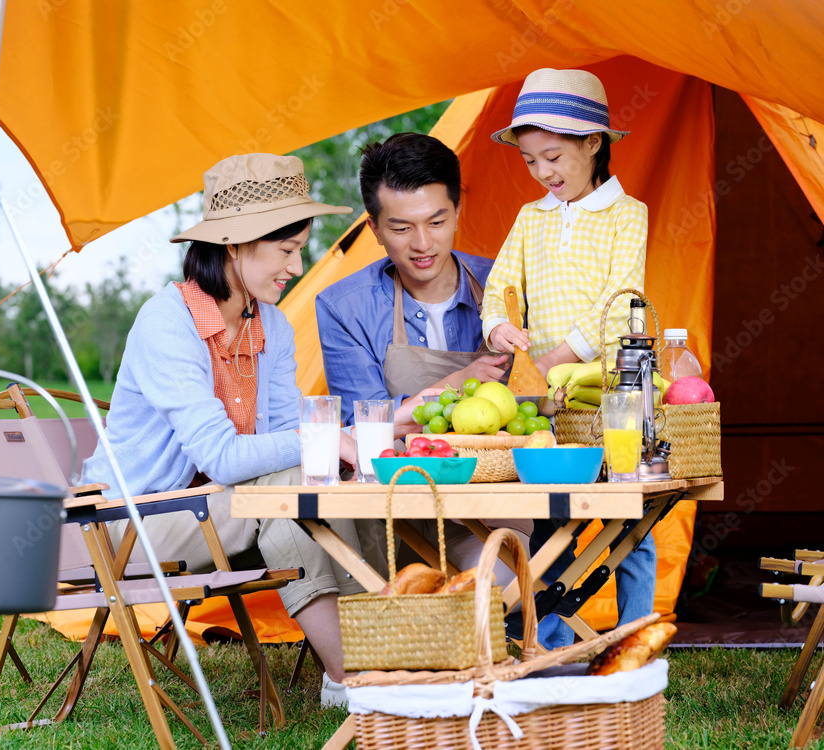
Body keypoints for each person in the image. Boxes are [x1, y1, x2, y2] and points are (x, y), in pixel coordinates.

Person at [81, 153, 361, 706]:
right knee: (297, 485)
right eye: (286, 249)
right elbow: (225, 455)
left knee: (303, 496)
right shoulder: (168, 321)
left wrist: (316, 450)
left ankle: (352, 675)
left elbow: (278, 435)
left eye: (299, 247)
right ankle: (364, 673)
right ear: (234, 245)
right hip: (133, 524)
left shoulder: (272, 324)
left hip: (223, 511)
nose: (296, 265)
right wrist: (322, 439)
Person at [483, 68, 654, 649]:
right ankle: (549, 638)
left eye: (552, 156)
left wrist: (559, 354)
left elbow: (621, 297)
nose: (543, 173)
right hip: (553, 404)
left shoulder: (628, 214)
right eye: (530, 161)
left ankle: (635, 633)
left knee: (630, 513)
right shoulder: (532, 218)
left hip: (616, 391)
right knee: (556, 516)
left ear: (593, 142)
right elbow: (500, 282)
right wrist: (499, 325)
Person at [316, 132, 527, 579]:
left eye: (436, 222)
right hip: (398, 513)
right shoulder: (343, 307)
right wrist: (453, 385)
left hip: (498, 508)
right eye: (401, 228)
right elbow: (362, 433)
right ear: (373, 229)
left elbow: (534, 407)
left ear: (457, 213)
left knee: (512, 571)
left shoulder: (506, 291)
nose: (423, 244)